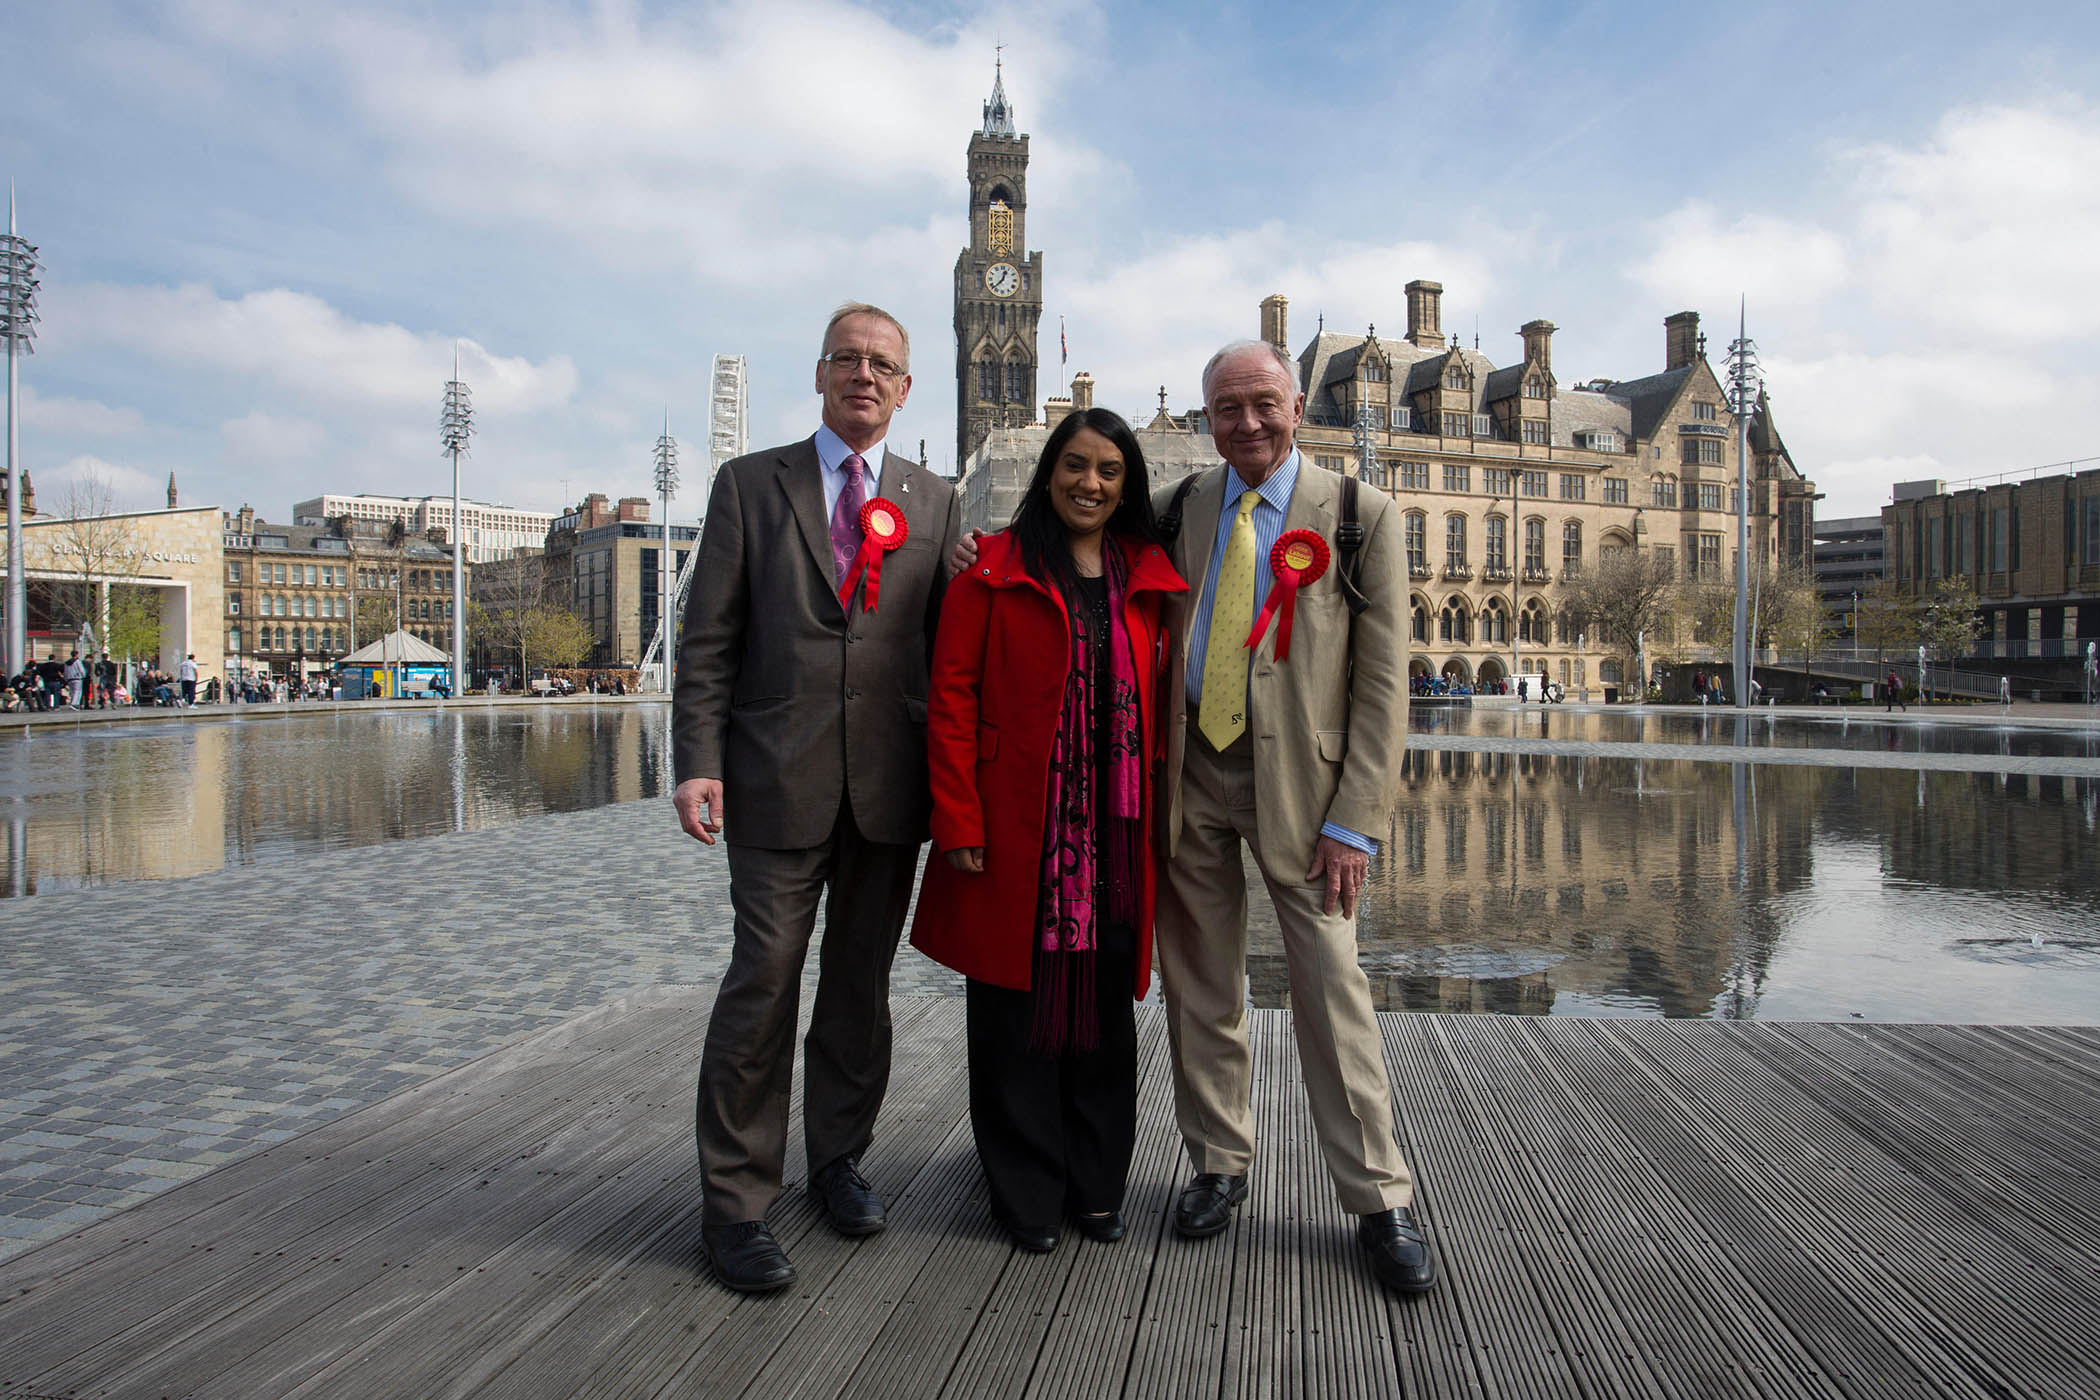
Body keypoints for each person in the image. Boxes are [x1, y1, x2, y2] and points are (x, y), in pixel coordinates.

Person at [671, 301, 961, 1294]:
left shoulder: (939, 499)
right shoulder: (751, 485)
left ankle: (838, 1160)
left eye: (884, 363)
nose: (865, 375)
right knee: (764, 979)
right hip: (771, 778)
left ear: (907, 386)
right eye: (848, 358)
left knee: (857, 990)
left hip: (890, 785)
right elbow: (707, 638)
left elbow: (957, 648)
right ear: (823, 373)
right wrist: (695, 758)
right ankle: (736, 1203)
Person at [910, 409, 1184, 1253]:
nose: (1090, 483)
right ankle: (1025, 1193)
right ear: (1049, 473)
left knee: (1103, 1017)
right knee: (1013, 1019)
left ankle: (1097, 1187)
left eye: (1109, 470)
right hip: (1018, 832)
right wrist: (957, 815)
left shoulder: (1148, 572)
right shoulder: (988, 569)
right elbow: (951, 701)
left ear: (1127, 484)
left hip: (1117, 838)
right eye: (1075, 465)